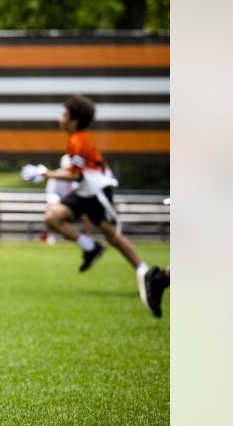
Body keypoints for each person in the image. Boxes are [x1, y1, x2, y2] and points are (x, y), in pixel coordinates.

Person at [40, 95, 157, 310]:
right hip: (84, 191)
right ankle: (91, 247)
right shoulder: (75, 139)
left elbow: (74, 175)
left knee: (112, 236)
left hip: (97, 192)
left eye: (64, 115)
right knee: (52, 217)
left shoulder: (79, 140)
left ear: (74, 121)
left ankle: (147, 273)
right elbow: (76, 175)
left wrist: (46, 173)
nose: (59, 118)